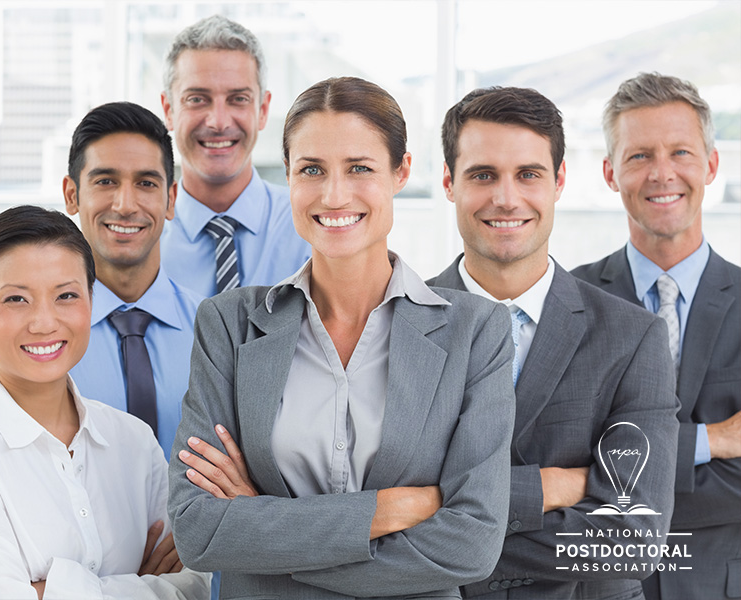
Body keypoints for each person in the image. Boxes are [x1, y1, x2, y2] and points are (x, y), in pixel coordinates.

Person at [168, 76, 516, 598]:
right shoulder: (229, 324)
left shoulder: (476, 331)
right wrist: (382, 512)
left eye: (359, 168)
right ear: (287, 175)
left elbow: (473, 543)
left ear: (400, 172)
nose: (334, 195)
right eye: (312, 169)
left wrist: (267, 528)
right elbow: (199, 530)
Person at [426, 86, 680, 599]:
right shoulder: (396, 322)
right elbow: (361, 504)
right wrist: (555, 486)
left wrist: (432, 515)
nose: (506, 198)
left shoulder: (632, 337)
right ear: (450, 183)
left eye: (528, 174)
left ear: (559, 181)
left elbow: (633, 542)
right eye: (482, 175)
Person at [0, 205, 210, 599]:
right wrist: (140, 587)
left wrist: (50, 591)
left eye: (66, 295)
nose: (44, 322)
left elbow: (194, 585)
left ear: (91, 297)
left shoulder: (133, 441)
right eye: (16, 299)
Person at [572, 73, 741, 600]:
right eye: (639, 155)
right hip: (592, 585)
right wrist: (709, 442)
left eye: (681, 153)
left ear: (711, 165)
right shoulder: (565, 300)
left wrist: (596, 484)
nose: (661, 174)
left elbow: (575, 476)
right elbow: (545, 457)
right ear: (609, 172)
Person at [0, 102, 201, 458]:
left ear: (171, 199)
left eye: (146, 183)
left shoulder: (214, 335)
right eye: (106, 181)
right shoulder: (13, 346)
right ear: (71, 195)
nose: (125, 204)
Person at [159, 14, 310, 297]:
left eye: (238, 99)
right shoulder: (141, 239)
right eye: (197, 99)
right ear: (168, 110)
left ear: (263, 110)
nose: (218, 121)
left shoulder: (309, 226)